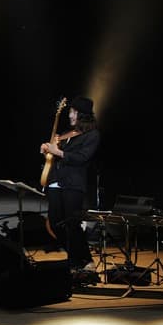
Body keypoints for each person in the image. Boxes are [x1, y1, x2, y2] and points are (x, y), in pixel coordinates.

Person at [39, 95, 101, 274]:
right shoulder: (66, 133)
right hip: (55, 182)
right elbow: (54, 154)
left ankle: (82, 260)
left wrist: (58, 152)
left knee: (72, 224)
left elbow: (82, 158)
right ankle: (77, 257)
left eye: (73, 112)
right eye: (70, 111)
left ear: (82, 115)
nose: (70, 115)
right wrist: (46, 149)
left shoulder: (92, 135)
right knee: (55, 223)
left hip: (73, 184)